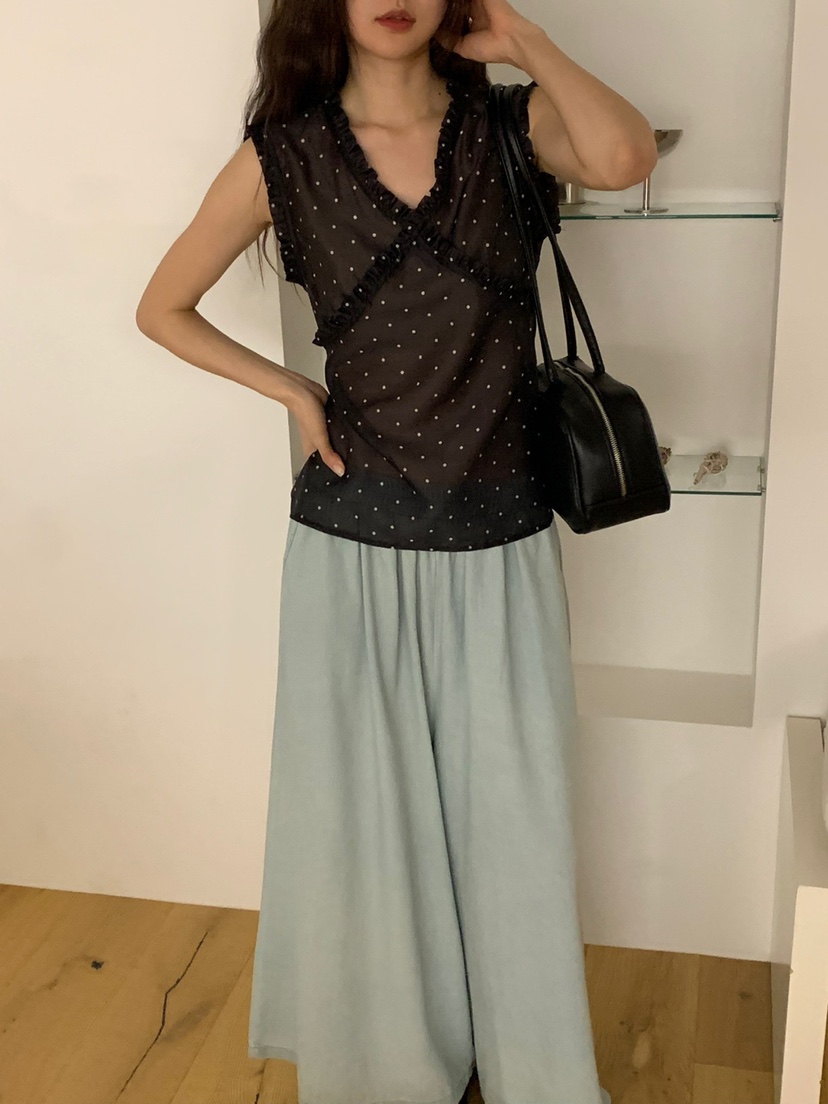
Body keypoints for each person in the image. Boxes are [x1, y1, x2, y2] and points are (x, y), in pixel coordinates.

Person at [136, 1, 657, 1101]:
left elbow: (623, 156)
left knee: (512, 823)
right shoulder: (283, 156)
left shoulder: (514, 126)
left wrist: (527, 43)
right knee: (366, 824)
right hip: (352, 541)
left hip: (500, 538)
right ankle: (392, 1067)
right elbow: (162, 307)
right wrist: (292, 390)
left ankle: (527, 1069)